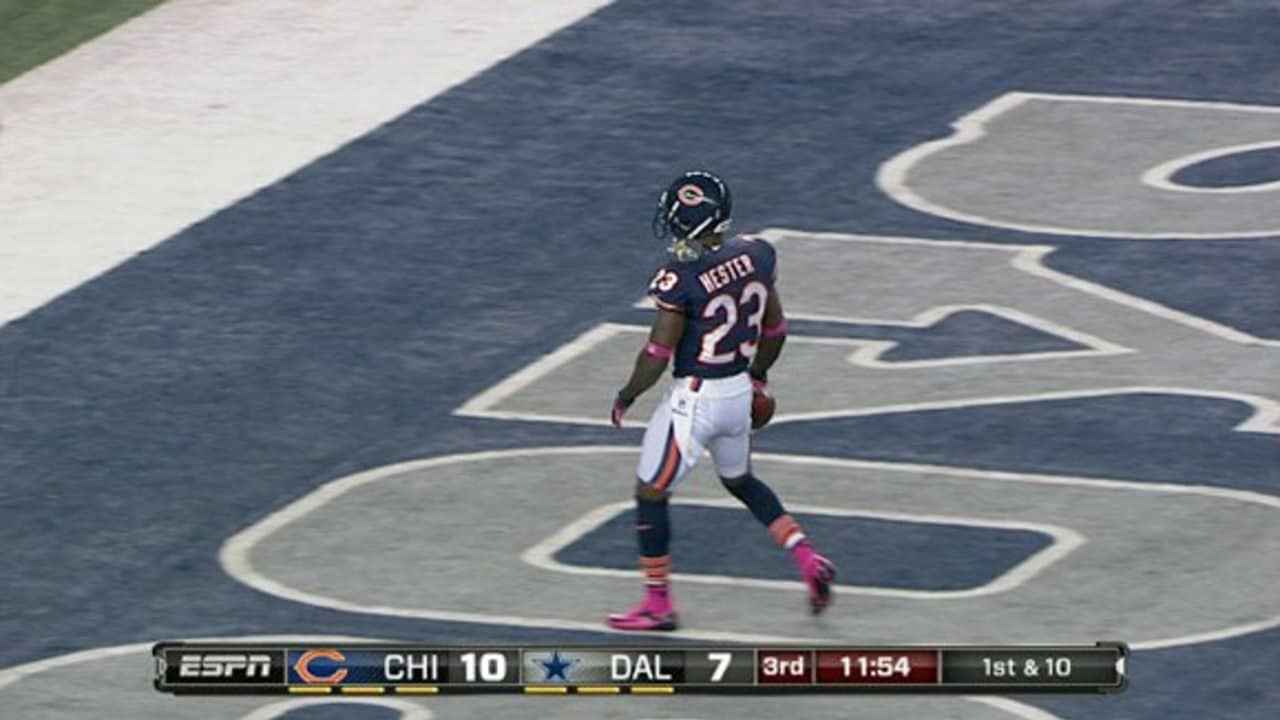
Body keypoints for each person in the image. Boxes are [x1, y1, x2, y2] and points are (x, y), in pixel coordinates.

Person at [607, 170, 836, 631]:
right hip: (736, 393)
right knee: (740, 480)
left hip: (695, 398)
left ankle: (658, 603)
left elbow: (658, 352)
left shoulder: (679, 277)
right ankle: (806, 556)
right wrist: (759, 377)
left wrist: (627, 394)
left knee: (650, 494)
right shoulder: (756, 254)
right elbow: (775, 328)